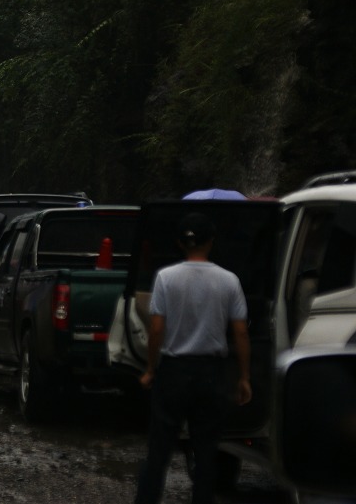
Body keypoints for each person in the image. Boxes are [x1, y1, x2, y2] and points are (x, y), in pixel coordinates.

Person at [135, 212, 252, 504]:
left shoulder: (165, 278)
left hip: (173, 372)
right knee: (207, 451)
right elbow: (240, 332)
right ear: (211, 242)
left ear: (179, 243)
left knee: (159, 450)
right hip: (211, 374)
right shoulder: (229, 280)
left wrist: (151, 369)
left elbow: (157, 329)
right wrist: (244, 377)